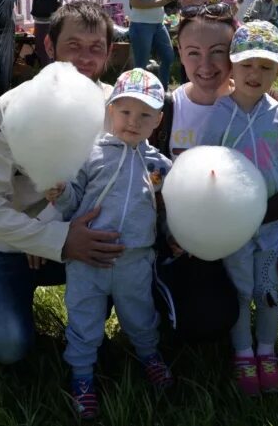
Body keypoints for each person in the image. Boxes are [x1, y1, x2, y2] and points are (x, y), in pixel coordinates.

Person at [150, 6, 278, 409]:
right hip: (188, 247)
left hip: (263, 234)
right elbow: (145, 180)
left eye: (218, 51)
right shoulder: (164, 108)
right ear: (178, 50)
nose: (205, 65)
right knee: (208, 317)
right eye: (192, 52)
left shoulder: (266, 104)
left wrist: (253, 213)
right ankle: (222, 343)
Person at [0, 1, 124, 369]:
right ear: (50, 47)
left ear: (108, 54)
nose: (85, 59)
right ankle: (7, 299)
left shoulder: (120, 110)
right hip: (7, 246)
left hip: (88, 242)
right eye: (73, 46)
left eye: (95, 48)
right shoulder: (11, 109)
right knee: (8, 346)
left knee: (98, 327)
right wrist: (49, 238)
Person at [198, 21, 278, 397]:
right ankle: (242, 355)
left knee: (268, 291)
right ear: (233, 67)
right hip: (234, 228)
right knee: (239, 290)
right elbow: (205, 162)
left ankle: (267, 353)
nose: (255, 74)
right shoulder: (219, 114)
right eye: (247, 65)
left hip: (271, 229)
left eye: (266, 67)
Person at [45, 68, 173, 419]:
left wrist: (177, 231)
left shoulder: (158, 164)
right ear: (109, 111)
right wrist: (61, 192)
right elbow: (74, 202)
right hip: (88, 261)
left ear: (157, 121)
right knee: (84, 320)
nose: (133, 122)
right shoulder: (91, 155)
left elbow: (168, 207)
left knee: (141, 316)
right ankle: (83, 378)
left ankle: (148, 355)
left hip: (135, 261)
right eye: (125, 112)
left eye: (145, 115)